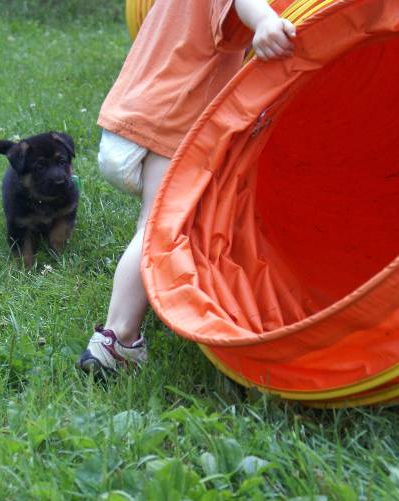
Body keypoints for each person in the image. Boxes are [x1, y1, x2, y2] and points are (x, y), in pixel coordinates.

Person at [77, 0, 296, 375]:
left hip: (130, 115)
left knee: (158, 220)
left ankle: (157, 300)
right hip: (171, 119)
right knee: (158, 229)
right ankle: (117, 338)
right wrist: (264, 21)